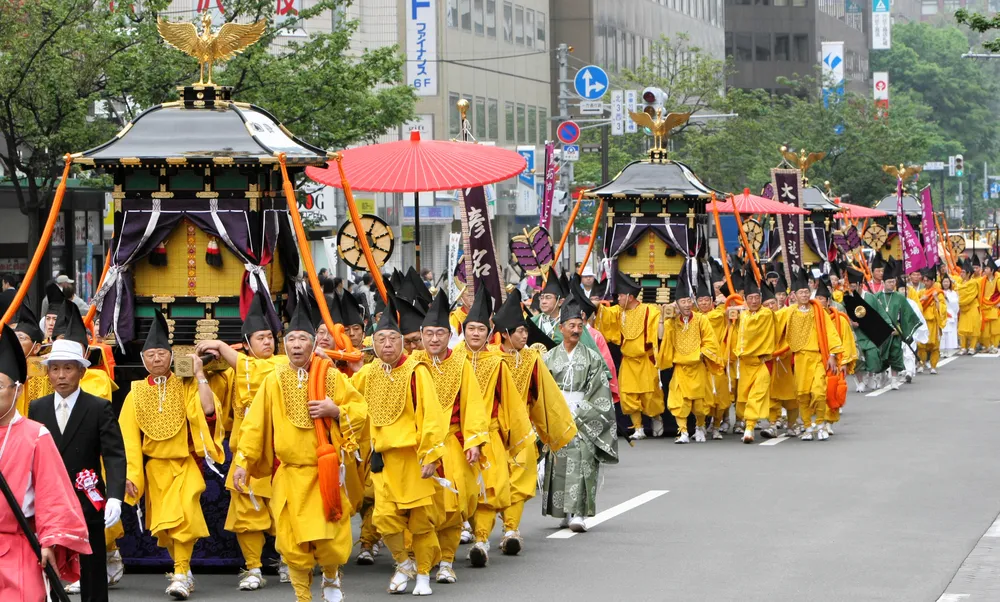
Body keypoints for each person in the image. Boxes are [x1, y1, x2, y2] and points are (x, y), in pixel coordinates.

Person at [233, 299, 366, 602]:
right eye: (290, 339)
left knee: (329, 541)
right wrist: (243, 461)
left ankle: (331, 576)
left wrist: (335, 410)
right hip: (290, 476)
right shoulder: (274, 380)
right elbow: (254, 426)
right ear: (284, 344)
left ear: (313, 343)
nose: (295, 345)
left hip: (324, 475)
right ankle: (302, 596)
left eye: (302, 339)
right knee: (292, 545)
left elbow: (359, 410)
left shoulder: (331, 376)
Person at [119, 311, 224, 599]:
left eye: (162, 353)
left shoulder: (185, 384)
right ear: (143, 359)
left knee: (185, 517)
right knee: (165, 528)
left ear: (171, 356)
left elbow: (208, 412)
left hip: (186, 464)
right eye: (150, 354)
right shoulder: (135, 393)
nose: (156, 359)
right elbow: (128, 440)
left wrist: (200, 375)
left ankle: (180, 572)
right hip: (155, 470)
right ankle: (183, 570)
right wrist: (131, 475)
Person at [350, 301, 448, 596]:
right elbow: (349, 398)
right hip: (383, 460)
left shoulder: (416, 371)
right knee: (383, 518)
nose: (388, 344)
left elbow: (431, 415)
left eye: (394, 339)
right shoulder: (369, 373)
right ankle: (404, 563)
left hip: (412, 459)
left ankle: (423, 575)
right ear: (374, 344)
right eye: (381, 339)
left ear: (403, 343)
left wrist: (431, 455)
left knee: (420, 522)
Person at [27, 337, 126, 602]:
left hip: (87, 498)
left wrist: (115, 496)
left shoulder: (98, 407)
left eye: (68, 368)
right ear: (47, 372)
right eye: (55, 368)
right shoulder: (37, 408)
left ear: (82, 371)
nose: (61, 375)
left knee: (92, 566)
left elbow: (114, 455)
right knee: (48, 562)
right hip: (48, 500)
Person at [196, 291, 283, 591]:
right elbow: (215, 407)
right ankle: (254, 567)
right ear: (247, 344)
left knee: (284, 509)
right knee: (248, 514)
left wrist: (221, 346)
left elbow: (254, 371)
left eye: (270, 337)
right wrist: (202, 371)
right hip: (246, 452)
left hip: (279, 451)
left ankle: (287, 559)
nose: (268, 343)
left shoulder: (280, 366)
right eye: (261, 338)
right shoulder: (236, 370)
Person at [0, 323, 92, 602]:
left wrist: (50, 541)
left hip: (18, 546)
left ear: (17, 390)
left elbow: (53, 495)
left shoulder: (34, 435)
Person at [412, 289, 489, 585]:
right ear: (421, 334)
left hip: (453, 444)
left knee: (455, 505)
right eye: (429, 333)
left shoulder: (461, 364)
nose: (434, 339)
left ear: (449, 335)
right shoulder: (413, 364)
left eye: (440, 333)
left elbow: (473, 405)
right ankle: (423, 557)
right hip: (420, 447)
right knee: (422, 506)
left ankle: (446, 560)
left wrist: (474, 442)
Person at [492, 290, 576, 554]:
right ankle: (480, 532)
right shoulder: (489, 359)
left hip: (524, 429)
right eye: (518, 331)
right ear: (505, 333)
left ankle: (511, 530)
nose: (524, 336)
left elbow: (545, 395)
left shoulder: (531, 359)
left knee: (520, 478)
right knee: (494, 481)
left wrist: (555, 432)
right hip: (493, 430)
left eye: (526, 331)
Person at [458, 285, 533, 568]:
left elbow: (510, 403)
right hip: (458, 437)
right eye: (471, 329)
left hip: (490, 435)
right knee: (463, 492)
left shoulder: (497, 363)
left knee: (489, 490)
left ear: (489, 333)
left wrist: (514, 437)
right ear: (464, 331)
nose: (475, 334)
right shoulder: (452, 360)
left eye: (480, 329)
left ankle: (481, 540)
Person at [541, 299, 618, 531]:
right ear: (560, 328)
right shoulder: (549, 357)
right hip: (557, 413)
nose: (575, 330)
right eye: (571, 325)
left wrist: (581, 412)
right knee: (559, 462)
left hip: (583, 412)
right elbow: (543, 390)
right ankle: (564, 511)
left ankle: (579, 513)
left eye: (579, 326)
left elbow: (599, 392)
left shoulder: (593, 358)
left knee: (583, 461)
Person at [595, 271, 665, 440]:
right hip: (628, 361)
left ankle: (655, 417)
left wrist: (662, 319)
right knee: (628, 395)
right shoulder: (619, 311)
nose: (617, 299)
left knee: (650, 395)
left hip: (645, 360)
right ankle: (638, 427)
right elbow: (605, 315)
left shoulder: (650, 310)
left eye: (620, 296)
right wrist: (596, 306)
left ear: (629, 296)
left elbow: (659, 334)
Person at [658, 276, 723, 444]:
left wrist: (703, 353)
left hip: (698, 366)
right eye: (682, 301)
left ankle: (700, 427)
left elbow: (710, 340)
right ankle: (683, 431)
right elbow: (661, 337)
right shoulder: (672, 322)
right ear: (677, 304)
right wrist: (663, 317)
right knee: (679, 401)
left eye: (688, 301)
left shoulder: (701, 319)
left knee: (700, 404)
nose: (686, 304)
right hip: (681, 368)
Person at [786, 267, 845, 441]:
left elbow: (830, 333)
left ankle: (820, 423)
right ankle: (806, 426)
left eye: (806, 292)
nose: (804, 295)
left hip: (818, 358)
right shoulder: (788, 312)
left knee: (819, 392)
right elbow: (774, 324)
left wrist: (833, 355)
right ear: (794, 295)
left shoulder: (818, 311)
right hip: (799, 359)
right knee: (802, 394)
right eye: (800, 293)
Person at [731, 277, 776, 444]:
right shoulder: (741, 315)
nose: (754, 301)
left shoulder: (765, 314)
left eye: (757, 297)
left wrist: (741, 312)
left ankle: (749, 428)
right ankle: (746, 423)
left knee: (756, 395)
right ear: (745, 300)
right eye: (750, 298)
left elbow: (753, 324)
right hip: (744, 363)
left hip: (761, 362)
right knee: (743, 398)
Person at [864, 259, 921, 389]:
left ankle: (894, 380)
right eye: (889, 282)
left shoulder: (899, 297)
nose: (892, 284)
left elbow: (907, 314)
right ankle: (881, 375)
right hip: (880, 333)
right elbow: (870, 315)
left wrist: (902, 330)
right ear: (883, 283)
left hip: (895, 331)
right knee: (880, 356)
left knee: (895, 354)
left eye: (893, 282)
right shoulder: (876, 296)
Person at [916, 269, 947, 374]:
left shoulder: (938, 293)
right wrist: (922, 299)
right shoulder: (920, 292)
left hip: (934, 322)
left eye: (927, 281)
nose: (925, 283)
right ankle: (921, 363)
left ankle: (933, 366)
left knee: (934, 346)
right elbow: (916, 306)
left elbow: (942, 308)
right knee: (921, 345)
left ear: (933, 281)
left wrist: (936, 299)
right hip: (923, 322)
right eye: (924, 281)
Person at [531, 274, 565, 343]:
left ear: (560, 302)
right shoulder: (533, 322)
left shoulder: (569, 322)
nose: (543, 302)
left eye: (548, 297)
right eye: (541, 298)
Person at [940, 276, 960, 357]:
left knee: (950, 332)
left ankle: (950, 349)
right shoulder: (939, 292)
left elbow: (955, 304)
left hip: (950, 314)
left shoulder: (953, 293)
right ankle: (941, 349)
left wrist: (947, 298)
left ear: (950, 283)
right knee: (943, 333)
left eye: (947, 282)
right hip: (942, 314)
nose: (945, 283)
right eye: (944, 282)